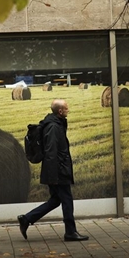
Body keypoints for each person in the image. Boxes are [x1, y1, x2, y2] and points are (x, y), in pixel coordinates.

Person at [17, 99, 89, 242]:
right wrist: (58, 174)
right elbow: (51, 152)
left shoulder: (55, 124)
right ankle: (70, 232)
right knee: (67, 200)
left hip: (56, 169)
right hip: (57, 170)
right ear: (60, 111)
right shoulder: (53, 127)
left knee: (56, 200)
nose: (68, 110)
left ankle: (27, 218)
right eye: (67, 108)